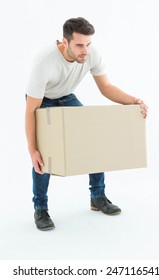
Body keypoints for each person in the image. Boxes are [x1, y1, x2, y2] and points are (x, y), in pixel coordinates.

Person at [25, 17, 148, 231]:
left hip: (66, 96)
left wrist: (133, 100)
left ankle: (97, 197)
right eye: (80, 45)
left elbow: (106, 87)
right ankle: (41, 208)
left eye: (88, 44)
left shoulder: (91, 54)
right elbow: (30, 111)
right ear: (65, 42)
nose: (86, 50)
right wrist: (32, 149)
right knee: (43, 155)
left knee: (93, 139)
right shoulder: (44, 62)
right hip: (42, 101)